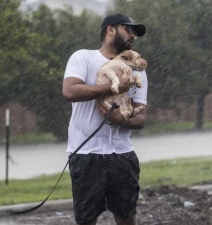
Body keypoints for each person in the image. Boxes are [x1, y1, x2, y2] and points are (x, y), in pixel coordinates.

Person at [62, 13, 148, 225]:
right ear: (110, 30)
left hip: (122, 155)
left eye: (135, 33)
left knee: (127, 217)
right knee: (87, 219)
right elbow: (70, 91)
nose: (133, 36)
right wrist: (113, 87)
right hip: (86, 154)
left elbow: (141, 117)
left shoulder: (137, 70)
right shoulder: (83, 57)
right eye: (128, 29)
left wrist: (121, 118)